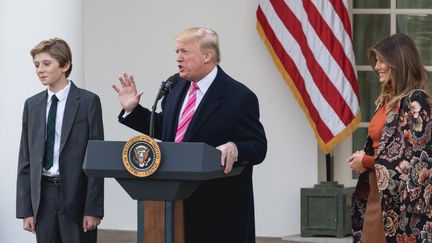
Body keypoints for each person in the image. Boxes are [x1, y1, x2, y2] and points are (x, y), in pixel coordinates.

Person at [113, 27, 267, 243]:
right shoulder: (175, 85)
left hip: (218, 209)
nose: (178, 58)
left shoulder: (239, 96)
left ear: (207, 56)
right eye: (176, 51)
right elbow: (168, 129)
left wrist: (235, 147)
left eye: (185, 52)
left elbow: (258, 145)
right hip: (173, 202)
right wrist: (133, 110)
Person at [16, 38, 104, 243]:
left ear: (65, 65)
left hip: (76, 198)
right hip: (43, 198)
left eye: (46, 64)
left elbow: (96, 159)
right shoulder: (32, 105)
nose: (40, 70)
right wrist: (26, 209)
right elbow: (25, 159)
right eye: (36, 65)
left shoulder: (88, 102)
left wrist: (93, 208)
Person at [349, 33, 432, 242]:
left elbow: (419, 159)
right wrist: (364, 156)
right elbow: (384, 147)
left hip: (404, 207)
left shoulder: (417, 100)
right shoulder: (386, 101)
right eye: (376, 61)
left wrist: (366, 162)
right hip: (377, 193)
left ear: (398, 63)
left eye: (381, 61)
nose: (376, 66)